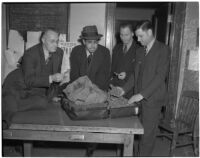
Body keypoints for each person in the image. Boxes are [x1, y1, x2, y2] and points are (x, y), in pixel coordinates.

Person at [114, 20, 170, 156]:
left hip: (152, 100)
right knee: (135, 131)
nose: (138, 40)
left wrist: (141, 95)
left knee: (147, 136)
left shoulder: (163, 49)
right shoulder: (139, 51)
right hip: (138, 99)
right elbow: (135, 75)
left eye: (141, 36)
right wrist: (124, 89)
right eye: (137, 36)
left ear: (150, 33)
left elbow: (160, 77)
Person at [2, 28, 64, 129]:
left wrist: (54, 94)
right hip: (17, 84)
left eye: (57, 41)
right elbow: (29, 80)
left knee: (43, 103)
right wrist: (51, 78)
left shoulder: (59, 53)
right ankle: (7, 104)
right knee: (9, 110)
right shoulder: (30, 53)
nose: (56, 45)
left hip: (34, 89)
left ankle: (7, 103)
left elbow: (56, 76)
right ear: (43, 40)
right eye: (52, 41)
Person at [70, 25, 111, 91]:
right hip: (79, 88)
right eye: (89, 42)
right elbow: (74, 75)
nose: (93, 46)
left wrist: (91, 91)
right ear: (84, 41)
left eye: (95, 42)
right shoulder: (76, 51)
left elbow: (103, 77)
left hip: (98, 90)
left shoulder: (105, 52)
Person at [110, 23, 139, 98]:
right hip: (115, 88)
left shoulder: (139, 49)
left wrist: (127, 75)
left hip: (130, 90)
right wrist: (110, 83)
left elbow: (140, 71)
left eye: (126, 35)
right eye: (121, 35)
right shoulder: (117, 48)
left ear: (132, 34)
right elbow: (112, 68)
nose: (123, 38)